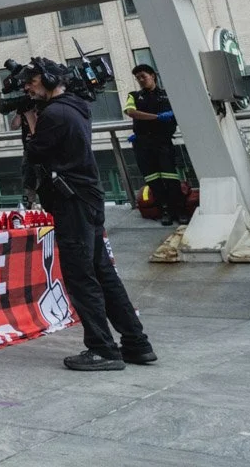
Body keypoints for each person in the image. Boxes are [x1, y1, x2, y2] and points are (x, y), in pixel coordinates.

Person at [22, 58, 156, 372]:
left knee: (81, 277)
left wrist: (30, 119)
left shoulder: (54, 113)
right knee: (103, 273)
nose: (27, 88)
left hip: (72, 202)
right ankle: (137, 343)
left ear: (49, 78)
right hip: (87, 198)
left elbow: (36, 151)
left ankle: (102, 349)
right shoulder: (76, 106)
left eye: (31, 81)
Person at [124, 64, 187, 226]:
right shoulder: (134, 96)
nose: (140, 80)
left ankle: (179, 210)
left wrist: (172, 116)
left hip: (163, 142)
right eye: (137, 78)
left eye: (143, 76)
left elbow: (181, 113)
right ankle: (164, 210)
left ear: (152, 76)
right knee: (153, 179)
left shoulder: (167, 95)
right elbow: (131, 112)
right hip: (143, 144)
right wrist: (157, 117)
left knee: (170, 177)